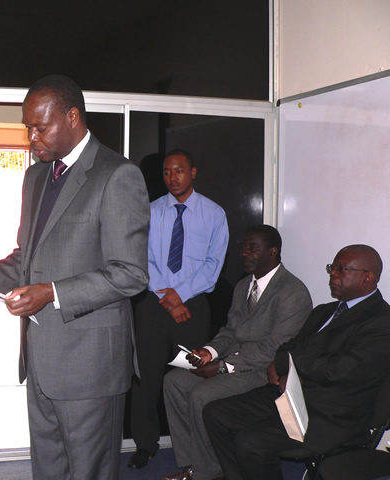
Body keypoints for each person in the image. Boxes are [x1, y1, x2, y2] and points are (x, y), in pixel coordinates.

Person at [0, 74, 149, 480]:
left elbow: (130, 273)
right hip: (41, 359)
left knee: (89, 472)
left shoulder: (117, 175)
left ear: (72, 117)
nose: (31, 137)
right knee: (48, 470)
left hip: (90, 366)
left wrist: (51, 293)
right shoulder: (37, 176)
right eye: (28, 127)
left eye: (40, 127)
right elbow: (28, 254)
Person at [203, 244, 390, 480]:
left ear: (367, 278)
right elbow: (288, 347)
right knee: (216, 413)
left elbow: (341, 370)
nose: (333, 275)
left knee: (251, 442)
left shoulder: (381, 321)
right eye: (332, 268)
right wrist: (289, 367)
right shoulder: (324, 311)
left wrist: (293, 367)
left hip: (332, 415)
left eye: (341, 269)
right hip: (292, 398)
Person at [161, 225, 312, 480]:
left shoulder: (292, 292)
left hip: (261, 370)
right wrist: (209, 352)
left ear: (273, 251)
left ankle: (209, 472)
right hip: (234, 362)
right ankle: (191, 463)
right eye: (243, 247)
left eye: (253, 247)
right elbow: (231, 331)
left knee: (201, 395)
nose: (244, 253)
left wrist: (222, 366)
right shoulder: (243, 286)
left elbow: (274, 348)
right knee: (174, 382)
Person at [128, 149, 229, 469]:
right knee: (145, 378)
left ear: (193, 172)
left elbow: (213, 265)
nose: (173, 178)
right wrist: (169, 299)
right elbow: (143, 259)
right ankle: (145, 444)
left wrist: (181, 295)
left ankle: (195, 448)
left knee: (192, 377)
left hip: (193, 305)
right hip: (154, 304)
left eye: (179, 171)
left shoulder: (214, 214)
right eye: (167, 172)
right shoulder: (151, 211)